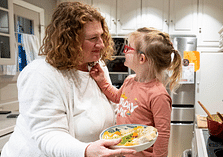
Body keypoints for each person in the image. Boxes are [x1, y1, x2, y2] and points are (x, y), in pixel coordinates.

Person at [1, 2, 136, 157]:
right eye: (93, 38)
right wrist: (85, 150)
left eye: (102, 36)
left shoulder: (97, 67)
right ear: (69, 40)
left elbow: (111, 107)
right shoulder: (40, 74)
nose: (101, 44)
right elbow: (48, 134)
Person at [90, 27, 183, 157]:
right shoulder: (129, 81)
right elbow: (117, 97)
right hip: (123, 151)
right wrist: (102, 80)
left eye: (128, 49)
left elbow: (162, 134)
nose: (124, 51)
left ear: (141, 58)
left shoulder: (158, 94)